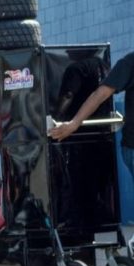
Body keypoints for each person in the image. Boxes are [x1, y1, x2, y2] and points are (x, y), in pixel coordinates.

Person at [49, 52, 134, 180]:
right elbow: (101, 94)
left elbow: (97, 94)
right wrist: (73, 124)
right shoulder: (126, 62)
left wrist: (67, 121)